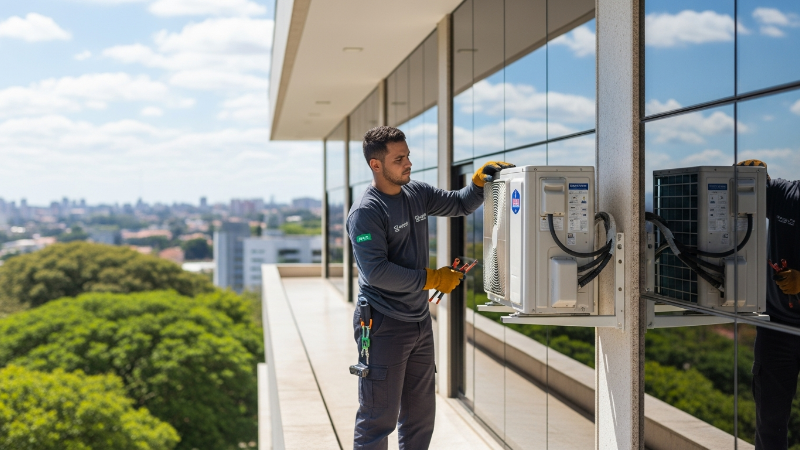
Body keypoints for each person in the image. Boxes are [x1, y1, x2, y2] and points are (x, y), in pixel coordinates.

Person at [347, 125, 513, 449]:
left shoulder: (416, 193)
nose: (408, 163)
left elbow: (459, 204)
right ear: (376, 165)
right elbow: (377, 271)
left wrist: (478, 183)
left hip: (419, 321)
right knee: (378, 419)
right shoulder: (366, 212)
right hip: (382, 323)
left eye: (408, 155)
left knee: (420, 417)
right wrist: (433, 279)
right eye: (399, 159)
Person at [739, 160, 800, 449]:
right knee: (771, 421)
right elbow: (751, 193)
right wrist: (751, 174)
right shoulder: (784, 195)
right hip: (777, 330)